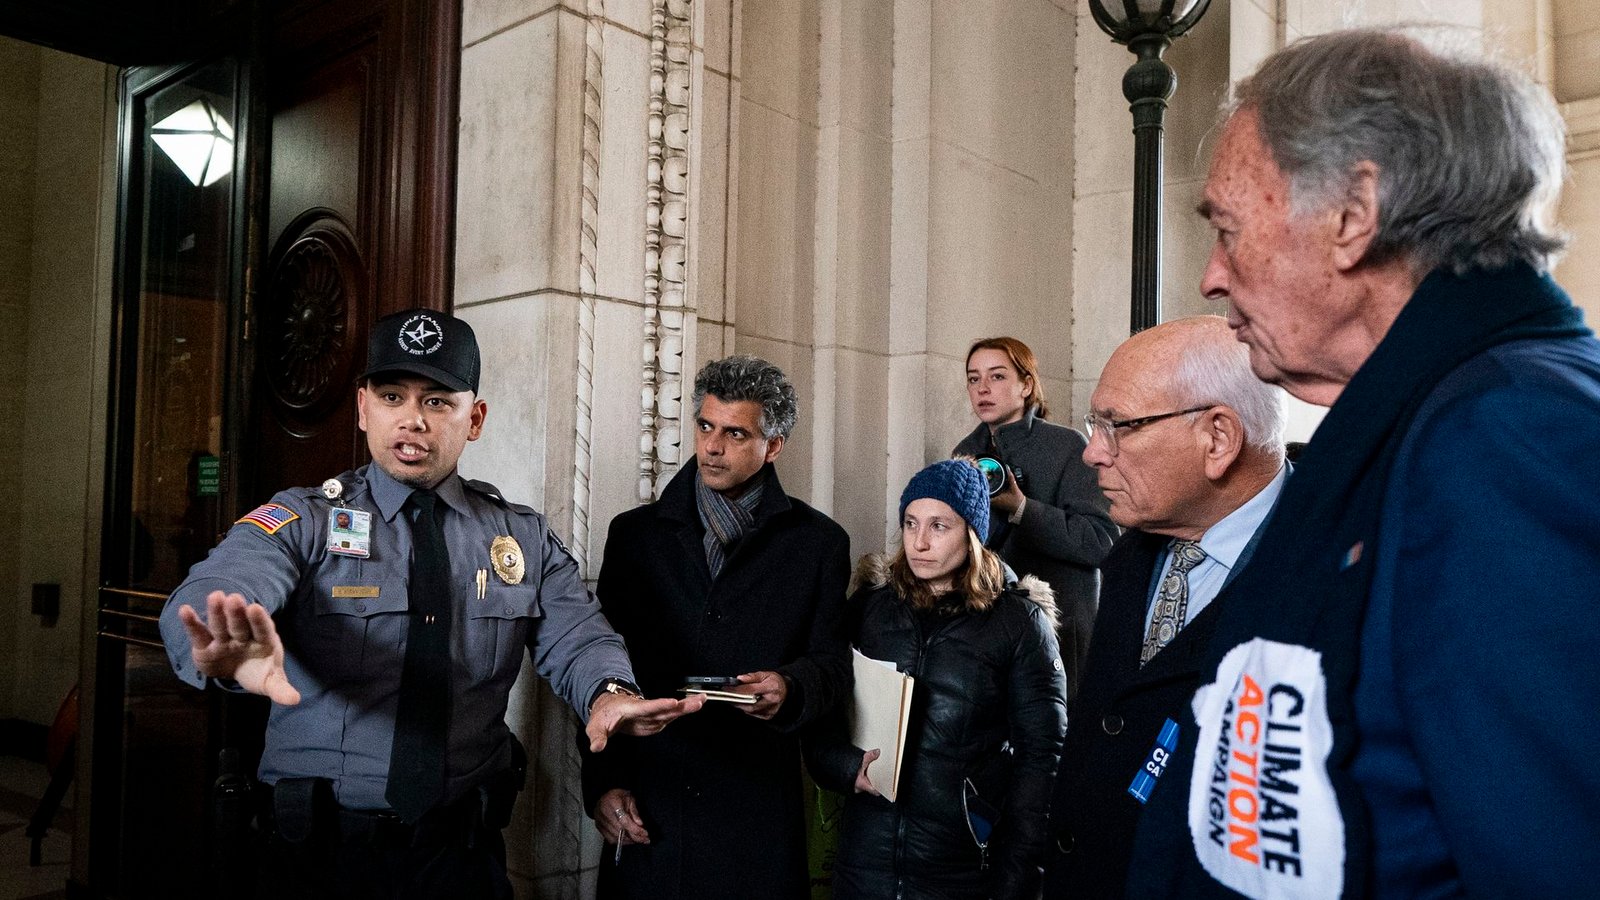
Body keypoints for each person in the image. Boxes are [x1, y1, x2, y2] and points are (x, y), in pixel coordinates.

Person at [1126, 28, 1600, 898]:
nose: (1211, 277)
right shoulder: (1433, 418)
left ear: (1353, 214)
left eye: (1229, 230)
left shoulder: (1510, 437)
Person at [159, 309, 702, 899]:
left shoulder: (520, 538)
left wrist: (610, 693)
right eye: (393, 396)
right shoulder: (306, 520)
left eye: (438, 401)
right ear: (364, 407)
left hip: (459, 857)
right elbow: (224, 583)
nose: (413, 419)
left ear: (475, 419)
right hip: (318, 859)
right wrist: (219, 641)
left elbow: (579, 636)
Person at [581, 355, 852, 900]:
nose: (711, 446)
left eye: (734, 433)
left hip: (753, 811)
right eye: (705, 426)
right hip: (649, 807)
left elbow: (831, 666)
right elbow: (598, 665)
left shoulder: (818, 544)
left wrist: (790, 688)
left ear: (772, 446)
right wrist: (602, 786)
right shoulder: (634, 536)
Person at [1042, 316, 1287, 898]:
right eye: (1093, 425)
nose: (1093, 453)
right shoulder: (1132, 552)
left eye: (1118, 426)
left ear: (1217, 438)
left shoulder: (1334, 571)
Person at [804, 458, 1066, 900]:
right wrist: (847, 767)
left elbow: (1043, 759)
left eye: (939, 526)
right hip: (865, 864)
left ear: (972, 534)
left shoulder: (1019, 624)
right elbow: (818, 714)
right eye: (910, 523)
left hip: (961, 871)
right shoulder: (869, 609)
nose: (920, 542)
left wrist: (1017, 879)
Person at [953, 337, 1116, 699]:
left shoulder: (1069, 446)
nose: (982, 388)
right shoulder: (965, 453)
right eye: (973, 378)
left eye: (997, 377)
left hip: (1060, 631)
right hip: (989, 630)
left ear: (1026, 385)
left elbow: (1101, 542)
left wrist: (1022, 509)